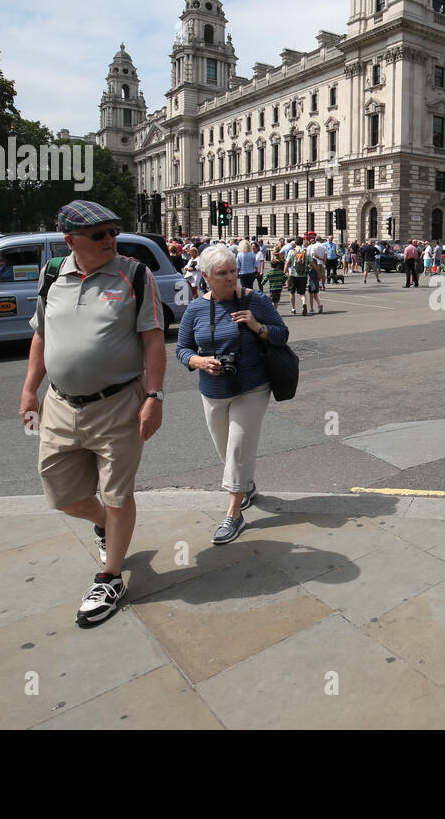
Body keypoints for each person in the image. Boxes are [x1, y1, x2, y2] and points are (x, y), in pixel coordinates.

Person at [18, 200, 164, 627]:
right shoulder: (52, 275)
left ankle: (110, 576)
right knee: (61, 494)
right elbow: (41, 337)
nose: (109, 240)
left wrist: (154, 396)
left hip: (119, 403)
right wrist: (30, 390)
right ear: (70, 241)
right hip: (60, 404)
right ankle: (103, 525)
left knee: (118, 492)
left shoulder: (135, 274)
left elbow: (154, 340)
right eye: (98, 234)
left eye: (113, 232)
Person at [176, 244, 287, 544]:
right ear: (206, 276)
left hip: (251, 387)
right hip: (212, 390)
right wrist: (198, 361)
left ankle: (234, 513)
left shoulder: (256, 300)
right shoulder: (196, 309)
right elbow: (181, 348)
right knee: (225, 449)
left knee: (238, 448)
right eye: (221, 273)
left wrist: (257, 326)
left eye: (233, 272)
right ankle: (246, 487)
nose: (229, 278)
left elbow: (282, 334)